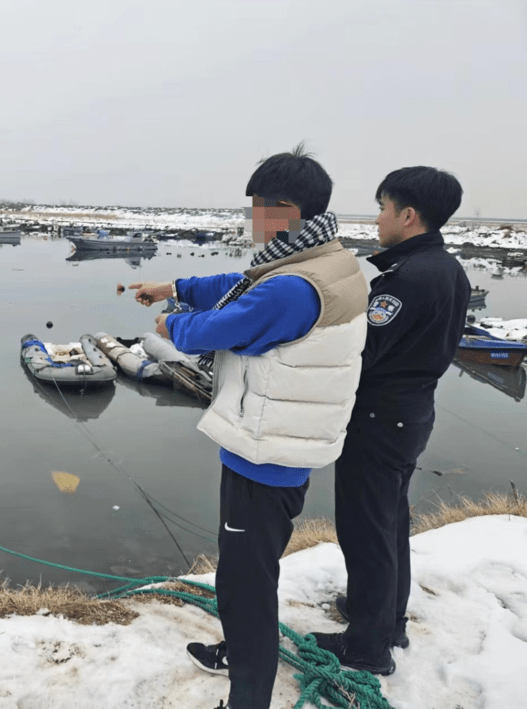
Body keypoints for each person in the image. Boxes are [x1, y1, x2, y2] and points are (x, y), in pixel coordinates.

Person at [130, 145, 368, 709]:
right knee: (248, 571)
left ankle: (248, 695)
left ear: (283, 208)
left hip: (265, 455)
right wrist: (177, 286)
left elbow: (218, 327)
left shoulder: (293, 287)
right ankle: (239, 653)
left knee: (246, 584)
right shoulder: (322, 259)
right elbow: (242, 285)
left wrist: (172, 320)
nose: (250, 221)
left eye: (256, 209)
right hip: (282, 443)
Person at [310, 167, 469, 675]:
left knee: (366, 532)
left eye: (382, 207)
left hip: (379, 420)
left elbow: (365, 349)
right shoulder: (447, 269)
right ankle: (381, 618)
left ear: (407, 215)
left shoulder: (408, 280)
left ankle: (367, 647)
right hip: (410, 414)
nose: (377, 219)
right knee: (390, 523)